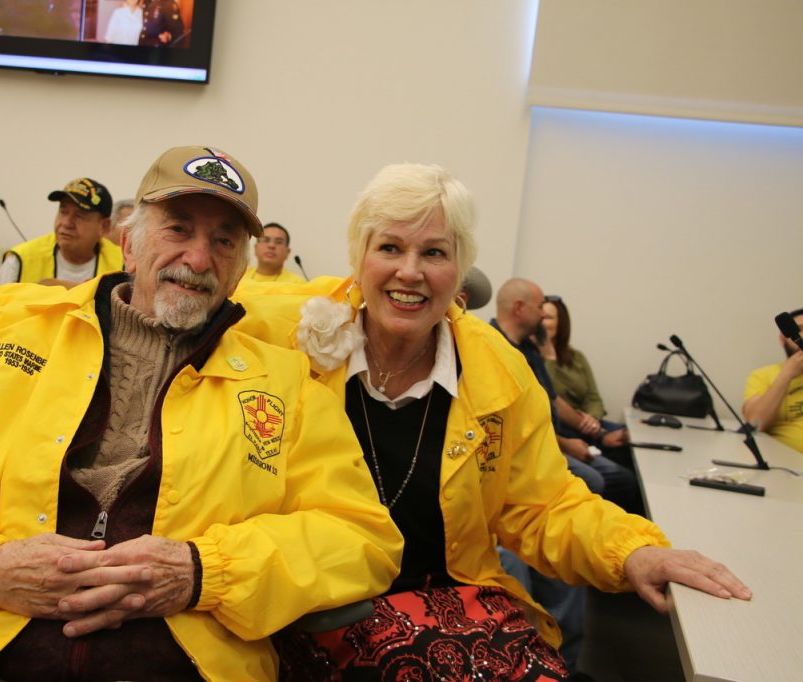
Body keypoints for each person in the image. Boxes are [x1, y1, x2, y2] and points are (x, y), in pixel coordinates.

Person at [0, 145, 403, 680]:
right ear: (129, 245)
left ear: (239, 271)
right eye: (178, 230)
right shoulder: (1, 344)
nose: (198, 258)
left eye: (225, 242)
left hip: (179, 663)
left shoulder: (285, 384)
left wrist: (204, 573)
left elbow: (361, 539)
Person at [231, 163, 750, 679]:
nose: (410, 271)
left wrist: (633, 552)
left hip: (452, 604)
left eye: (434, 252)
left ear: (459, 271)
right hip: (312, 603)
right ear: (359, 257)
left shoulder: (497, 369)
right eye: (389, 247)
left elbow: (544, 506)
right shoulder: (284, 330)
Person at [492, 278, 643, 514]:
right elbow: (516, 422)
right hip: (527, 449)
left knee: (623, 476)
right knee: (595, 481)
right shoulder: (493, 348)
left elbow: (552, 399)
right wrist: (564, 444)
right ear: (519, 308)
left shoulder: (529, 349)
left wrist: (599, 434)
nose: (543, 315)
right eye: (540, 307)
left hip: (550, 441)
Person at [0, 177, 124, 295]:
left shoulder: (123, 264)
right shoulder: (22, 259)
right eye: (63, 211)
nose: (66, 223)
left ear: (104, 226)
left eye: (79, 215)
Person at [540, 295, 630, 452]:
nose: (542, 322)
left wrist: (592, 420)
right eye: (540, 317)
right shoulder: (531, 357)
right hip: (562, 427)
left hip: (588, 423)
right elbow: (548, 395)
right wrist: (549, 357)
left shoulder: (576, 357)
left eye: (548, 318)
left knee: (631, 436)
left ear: (561, 323)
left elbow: (593, 397)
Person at [743, 307, 803, 453]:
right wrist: (786, 375)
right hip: (786, 467)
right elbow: (755, 423)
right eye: (800, 329)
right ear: (783, 338)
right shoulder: (763, 375)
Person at [240, 222, 306, 284]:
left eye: (278, 242)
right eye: (266, 240)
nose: (271, 246)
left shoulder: (298, 283)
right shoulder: (238, 277)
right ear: (256, 248)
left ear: (287, 252)